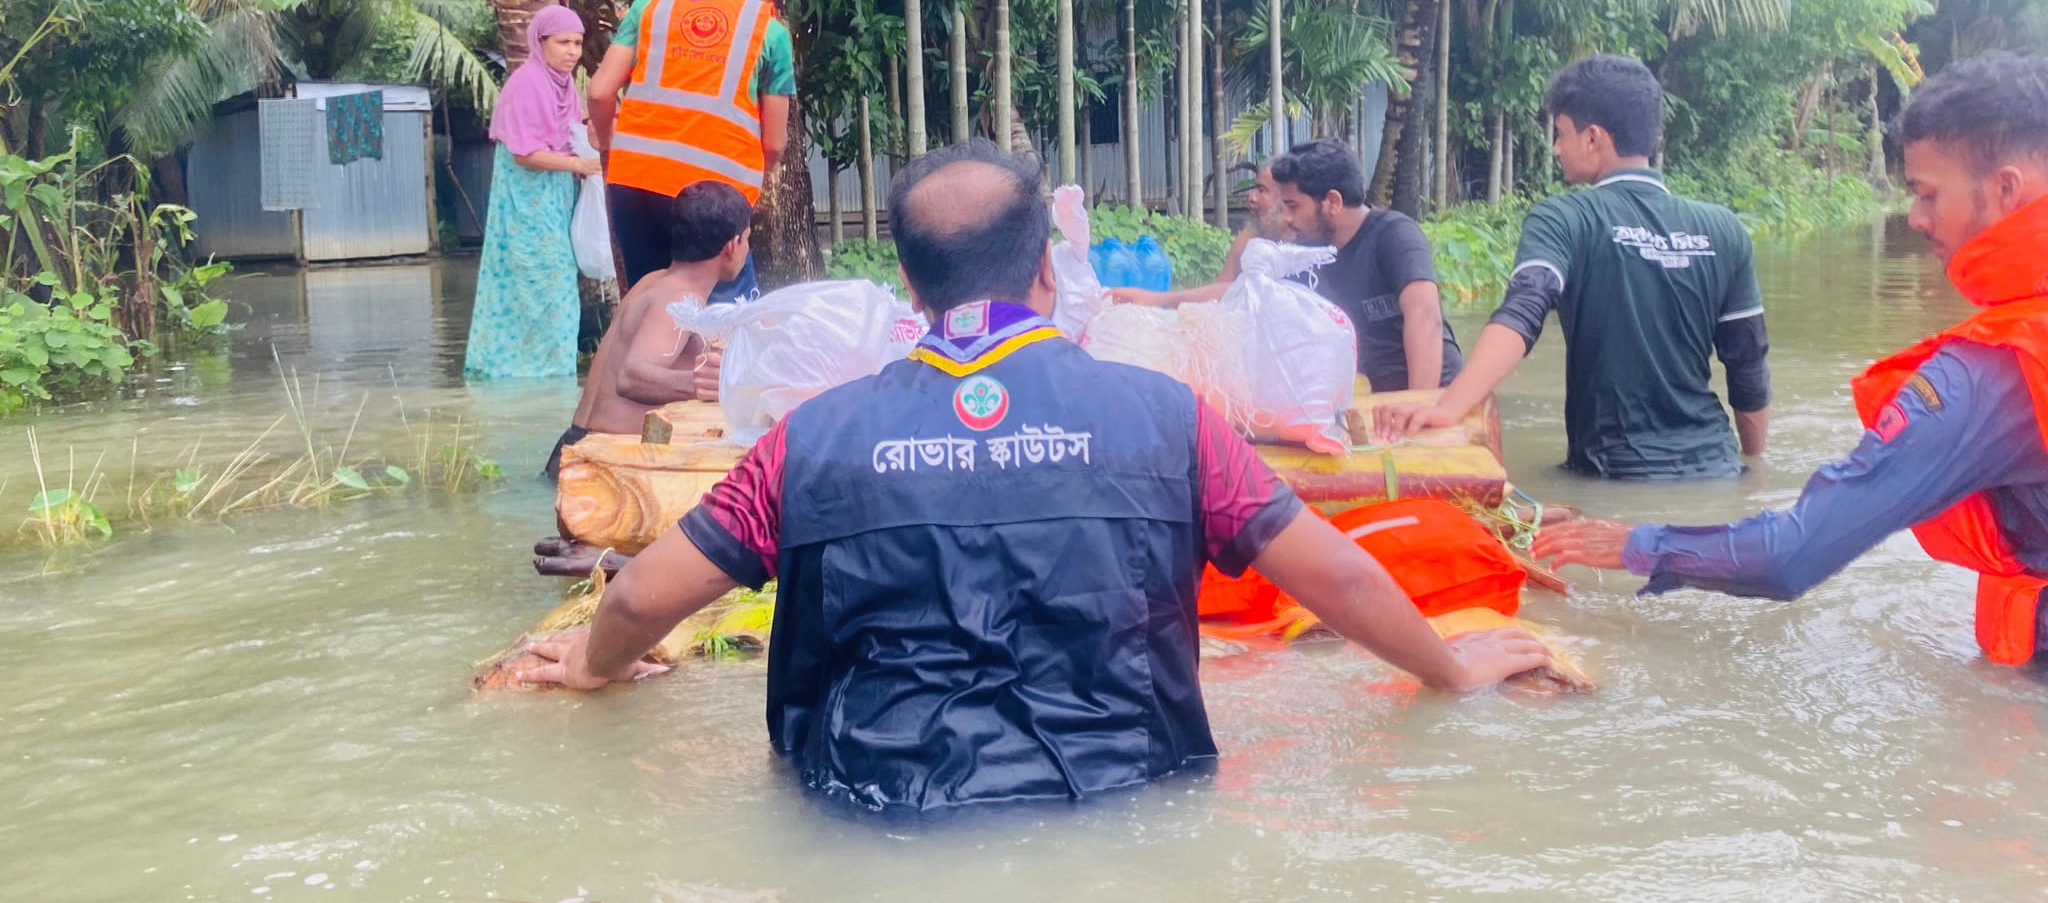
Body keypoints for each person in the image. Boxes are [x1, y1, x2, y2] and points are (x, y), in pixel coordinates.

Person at [512, 140, 1550, 810]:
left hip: (876, 809)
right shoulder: (1163, 417)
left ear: (907, 289)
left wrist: (594, 667)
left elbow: (645, 592)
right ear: (1048, 273)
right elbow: (1340, 580)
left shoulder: (810, 437)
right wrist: (1451, 669)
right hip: (1129, 799)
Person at [1532, 50, 2048, 666]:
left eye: (1927, 194)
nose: (1914, 218)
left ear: (2006, 189)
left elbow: (1792, 552)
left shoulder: (1988, 373)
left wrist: (1636, 543)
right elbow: (1747, 361)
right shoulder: (1719, 229)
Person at [1377, 54, 1771, 478]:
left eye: (1561, 133)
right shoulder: (1724, 228)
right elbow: (1747, 362)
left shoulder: (1564, 217)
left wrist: (1448, 405)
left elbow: (1524, 310)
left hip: (1615, 473)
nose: (1556, 147)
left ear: (1593, 138)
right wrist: (1753, 465)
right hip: (1717, 467)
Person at [587, 0, 794, 298]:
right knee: (721, 321)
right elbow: (774, 143)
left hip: (637, 184)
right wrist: (746, 184)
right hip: (715, 199)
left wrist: (606, 139)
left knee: (647, 309)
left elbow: (599, 92)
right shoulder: (770, 33)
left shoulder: (647, 9)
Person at [543, 181, 753, 481]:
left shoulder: (653, 281)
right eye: (747, 239)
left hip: (575, 447)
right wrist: (703, 382)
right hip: (599, 464)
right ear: (732, 246)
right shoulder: (682, 299)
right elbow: (631, 376)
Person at [464, 6, 600, 380]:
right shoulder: (526, 84)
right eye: (563, 43)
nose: (572, 51)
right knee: (538, 281)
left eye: (577, 43)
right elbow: (524, 153)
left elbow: (569, 138)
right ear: (540, 43)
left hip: (555, 199)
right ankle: (526, 371)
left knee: (556, 283)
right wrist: (580, 166)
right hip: (525, 203)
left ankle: (552, 372)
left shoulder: (566, 85)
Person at [1270, 140, 1465, 393]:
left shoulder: (1394, 234)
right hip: (1367, 399)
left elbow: (1425, 317)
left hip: (1433, 396)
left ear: (1333, 202)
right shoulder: (1305, 255)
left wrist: (1417, 407)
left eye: (1293, 206)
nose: (1287, 218)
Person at [1107, 160, 1287, 308]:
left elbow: (1242, 292)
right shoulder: (1248, 237)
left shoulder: (1305, 251)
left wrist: (1158, 299)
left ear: (1287, 199)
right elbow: (1221, 295)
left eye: (1261, 190)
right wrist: (1157, 300)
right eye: (1254, 189)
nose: (1251, 197)